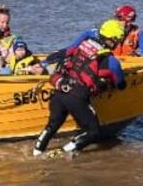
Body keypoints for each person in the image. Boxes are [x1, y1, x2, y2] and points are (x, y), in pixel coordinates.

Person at [33, 19, 127, 156]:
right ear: (112, 40)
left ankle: (36, 152)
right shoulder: (111, 61)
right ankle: (62, 152)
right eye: (118, 40)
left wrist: (43, 64)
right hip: (77, 97)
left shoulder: (82, 45)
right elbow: (121, 84)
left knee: (52, 125)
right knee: (93, 132)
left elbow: (63, 53)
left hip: (59, 91)